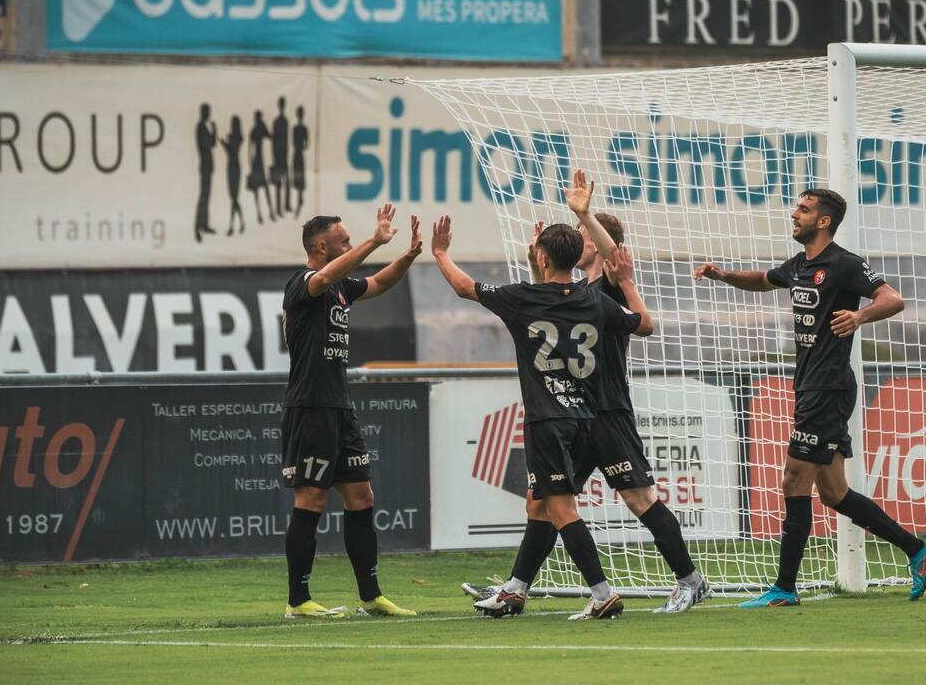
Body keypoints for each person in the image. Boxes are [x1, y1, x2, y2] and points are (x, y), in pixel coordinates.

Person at [463, 170, 708, 615]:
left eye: (583, 233)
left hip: (607, 410)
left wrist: (585, 213)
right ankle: (515, 588)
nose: (578, 237)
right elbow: (542, 302)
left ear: (593, 242)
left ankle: (691, 581)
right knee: (542, 501)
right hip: (575, 412)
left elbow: (616, 255)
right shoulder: (577, 291)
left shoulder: (609, 282)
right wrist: (537, 262)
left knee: (638, 499)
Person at [694, 188, 926, 605]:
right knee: (833, 492)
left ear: (823, 221)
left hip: (827, 388)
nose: (795, 214)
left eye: (804, 209)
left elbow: (893, 299)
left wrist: (860, 315)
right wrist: (723, 276)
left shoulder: (843, 264)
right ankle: (918, 550)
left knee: (794, 479)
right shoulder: (799, 265)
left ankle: (784, 588)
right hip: (813, 385)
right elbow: (763, 280)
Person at [432, 215, 651, 620]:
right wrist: (628, 284)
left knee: (561, 510)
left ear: (542, 258)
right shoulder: (593, 299)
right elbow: (645, 324)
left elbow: (464, 286)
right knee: (538, 504)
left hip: (547, 419)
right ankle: (515, 590)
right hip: (584, 417)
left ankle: (602, 593)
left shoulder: (522, 298)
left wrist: (441, 253)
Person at [279, 207, 423, 619]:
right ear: (321, 247)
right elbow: (323, 278)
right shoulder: (303, 282)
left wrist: (409, 256)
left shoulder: (340, 287)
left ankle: (371, 596)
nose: (349, 245)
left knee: (362, 496)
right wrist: (375, 241)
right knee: (312, 499)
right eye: (343, 241)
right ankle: (297, 601)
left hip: (340, 407)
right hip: (310, 406)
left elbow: (379, 283)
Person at [193, 104, 217, 243]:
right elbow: (208, 144)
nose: (209, 114)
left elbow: (212, 144)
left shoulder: (204, 127)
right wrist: (213, 131)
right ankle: (197, 227)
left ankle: (204, 225)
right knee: (203, 196)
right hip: (205, 166)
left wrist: (214, 131)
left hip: (207, 166)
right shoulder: (201, 127)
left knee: (206, 196)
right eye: (207, 112)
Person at [220, 115, 245, 237]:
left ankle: (235, 224)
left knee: (234, 198)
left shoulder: (236, 137)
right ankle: (239, 223)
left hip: (233, 167)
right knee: (234, 198)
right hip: (232, 167)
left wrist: (224, 143)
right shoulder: (237, 137)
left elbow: (231, 151)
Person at [247, 111, 270, 224]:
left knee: (263, 188)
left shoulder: (257, 130)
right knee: (261, 188)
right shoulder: (256, 130)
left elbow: (268, 135)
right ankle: (261, 213)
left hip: (258, 161)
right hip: (257, 161)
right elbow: (250, 149)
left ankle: (266, 212)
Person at [270, 97, 290, 220]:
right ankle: (278, 208)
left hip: (284, 156)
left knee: (286, 182)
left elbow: (286, 140)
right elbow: (274, 141)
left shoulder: (285, 121)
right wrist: (275, 159)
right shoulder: (277, 122)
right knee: (278, 184)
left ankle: (286, 205)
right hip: (278, 157)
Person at [292, 105, 309, 217]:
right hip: (297, 154)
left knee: (300, 176)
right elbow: (294, 142)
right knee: (297, 176)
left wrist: (302, 146)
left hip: (299, 154)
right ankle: (299, 198)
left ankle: (300, 198)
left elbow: (306, 143)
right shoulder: (296, 129)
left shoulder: (303, 129)